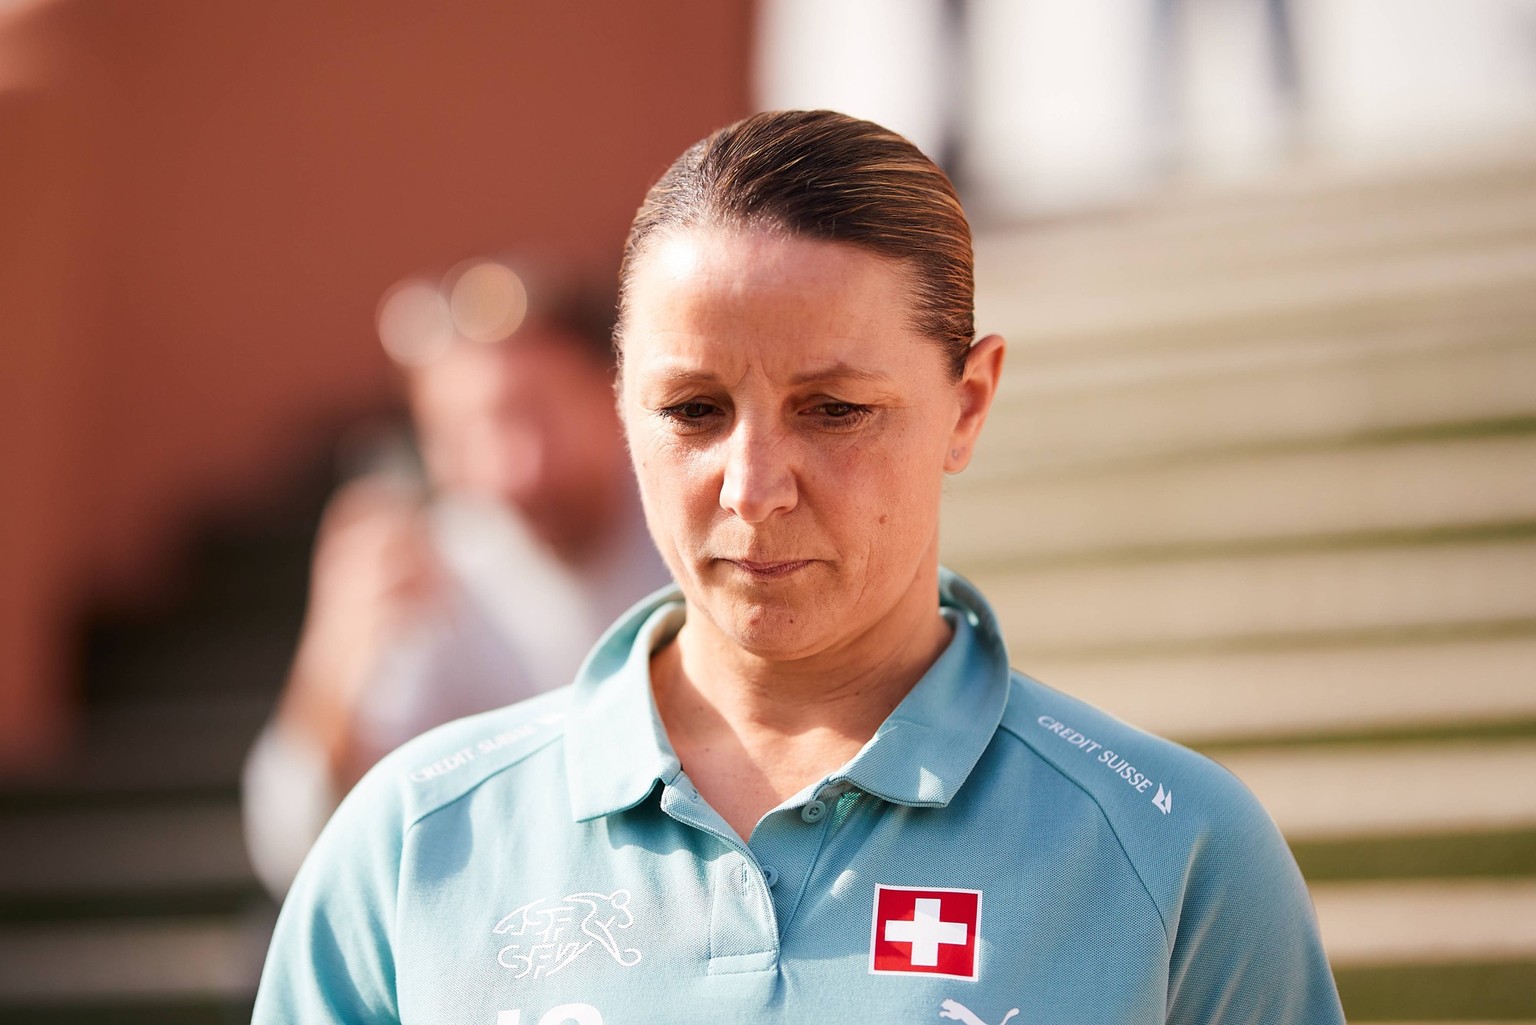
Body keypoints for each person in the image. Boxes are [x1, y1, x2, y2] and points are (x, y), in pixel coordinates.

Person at [252, 111, 1344, 1023]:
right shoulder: (411, 845)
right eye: (693, 410)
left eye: (834, 409)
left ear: (968, 404)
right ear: (626, 405)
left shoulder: (1172, 849)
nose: (753, 484)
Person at [242, 261, 669, 897]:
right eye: (460, 433)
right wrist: (333, 653)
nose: (511, 470)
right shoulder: (435, 567)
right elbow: (296, 846)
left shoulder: (696, 524)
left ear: (616, 393)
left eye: (533, 413)